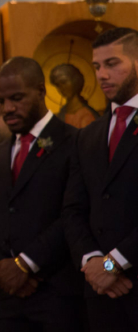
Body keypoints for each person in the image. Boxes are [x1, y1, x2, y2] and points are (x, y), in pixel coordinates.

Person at [0, 57, 83, 331]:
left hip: (57, 292)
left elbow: (73, 213)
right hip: (7, 297)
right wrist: (1, 271)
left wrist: (26, 265)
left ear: (41, 91)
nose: (7, 108)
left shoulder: (75, 142)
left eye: (17, 98)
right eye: (1, 100)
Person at [64, 27, 138, 329]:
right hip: (100, 292)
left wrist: (112, 265)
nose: (102, 75)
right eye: (96, 66)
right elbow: (72, 209)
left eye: (112, 64)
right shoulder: (89, 134)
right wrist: (93, 263)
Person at [50, 63, 99, 129]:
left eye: (64, 82)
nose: (61, 88)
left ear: (75, 81)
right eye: (58, 85)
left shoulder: (86, 115)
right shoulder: (63, 112)